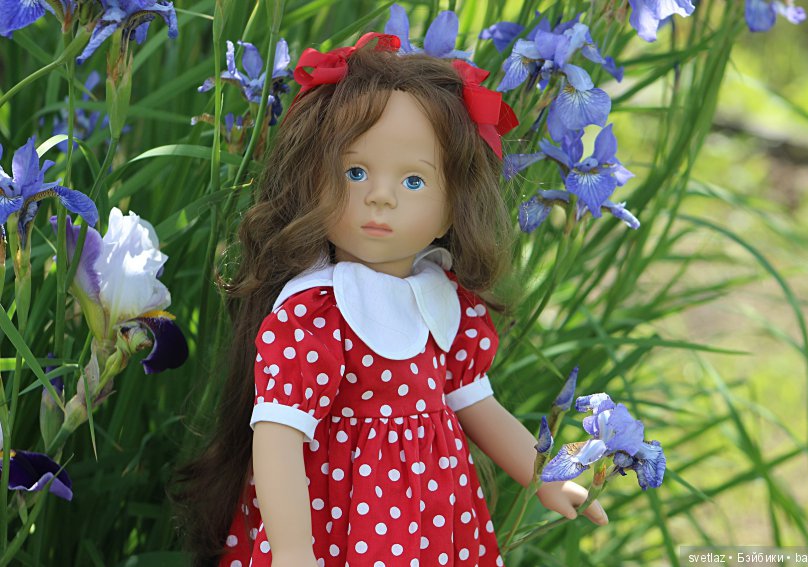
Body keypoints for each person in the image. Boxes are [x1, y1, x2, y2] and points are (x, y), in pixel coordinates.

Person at [175, 32, 608, 567]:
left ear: (454, 205)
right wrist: (291, 548)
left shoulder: (442, 300)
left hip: (433, 523)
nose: (380, 196)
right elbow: (278, 434)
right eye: (355, 172)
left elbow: (478, 405)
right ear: (312, 180)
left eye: (414, 180)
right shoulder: (317, 313)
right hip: (333, 525)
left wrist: (547, 476)